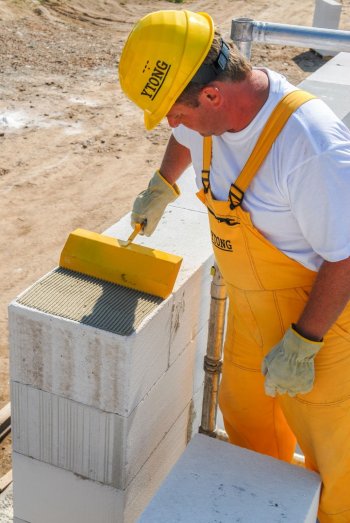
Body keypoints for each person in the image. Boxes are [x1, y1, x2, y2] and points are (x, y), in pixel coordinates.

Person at [118, 10, 350, 523]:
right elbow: (183, 139)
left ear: (212, 95)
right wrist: (163, 185)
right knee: (248, 431)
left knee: (337, 468)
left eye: (175, 112)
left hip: (321, 331)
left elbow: (346, 255)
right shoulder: (210, 117)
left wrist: (305, 342)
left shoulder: (308, 145)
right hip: (250, 316)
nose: (172, 125)